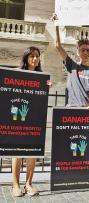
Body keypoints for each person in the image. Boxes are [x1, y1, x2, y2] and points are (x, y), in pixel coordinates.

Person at [12, 46, 47, 197]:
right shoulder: (17, 72)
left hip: (35, 119)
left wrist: (47, 87)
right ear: (26, 57)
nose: (34, 59)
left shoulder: (42, 76)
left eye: (37, 56)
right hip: (18, 119)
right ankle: (15, 185)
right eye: (32, 56)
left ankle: (28, 184)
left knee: (32, 153)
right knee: (17, 153)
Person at [52, 14, 89, 109]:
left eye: (88, 50)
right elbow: (58, 45)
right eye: (82, 50)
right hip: (71, 109)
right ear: (77, 52)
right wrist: (56, 24)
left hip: (88, 111)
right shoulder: (72, 66)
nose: (85, 52)